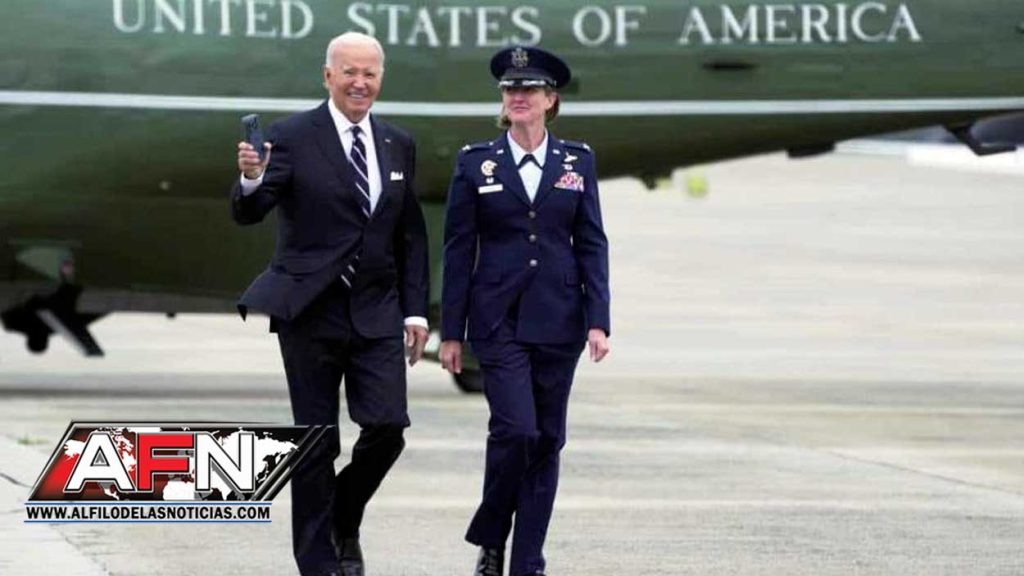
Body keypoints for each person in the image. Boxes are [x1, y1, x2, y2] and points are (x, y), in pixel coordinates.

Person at [231, 32, 429, 576]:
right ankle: (319, 564)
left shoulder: (397, 143)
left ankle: (343, 514)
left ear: (380, 79)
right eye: (349, 72)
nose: (359, 83)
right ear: (327, 76)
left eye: (369, 73)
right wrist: (251, 178)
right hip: (310, 311)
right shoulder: (291, 136)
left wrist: (415, 310)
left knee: (388, 427)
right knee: (317, 443)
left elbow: (409, 235)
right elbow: (250, 212)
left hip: (377, 310)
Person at [439, 46, 611, 576]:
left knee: (547, 440)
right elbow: (458, 249)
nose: (518, 96)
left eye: (529, 89)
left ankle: (526, 561)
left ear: (549, 100)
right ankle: (492, 534)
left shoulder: (577, 162)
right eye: (511, 89)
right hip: (498, 320)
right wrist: (452, 332)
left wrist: (599, 319)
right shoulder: (476, 162)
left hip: (560, 319)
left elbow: (591, 243)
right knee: (515, 431)